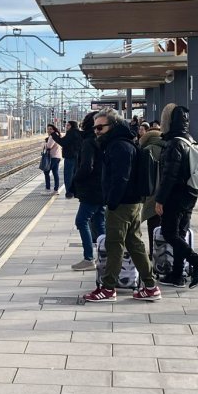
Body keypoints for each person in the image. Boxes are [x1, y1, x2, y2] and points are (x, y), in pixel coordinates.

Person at [84, 109, 159, 302]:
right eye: (95, 128)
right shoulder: (124, 143)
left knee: (114, 244)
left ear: (113, 126)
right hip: (131, 203)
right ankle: (150, 287)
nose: (97, 131)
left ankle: (108, 289)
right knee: (134, 244)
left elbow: (121, 178)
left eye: (100, 127)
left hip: (122, 204)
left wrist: (112, 201)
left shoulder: (118, 147)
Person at [155, 104, 198, 289]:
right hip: (189, 194)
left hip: (175, 195)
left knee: (169, 233)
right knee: (180, 233)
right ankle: (177, 275)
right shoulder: (189, 140)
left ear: (169, 121)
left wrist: (160, 199)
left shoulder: (174, 144)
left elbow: (169, 176)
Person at [68, 112, 106, 271]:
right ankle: (105, 256)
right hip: (101, 189)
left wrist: (75, 179)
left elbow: (86, 167)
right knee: (99, 222)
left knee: (81, 221)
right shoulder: (101, 141)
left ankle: (88, 258)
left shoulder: (89, 142)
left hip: (91, 190)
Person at [137, 120, 165, 254]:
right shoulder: (168, 147)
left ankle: (153, 253)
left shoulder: (147, 150)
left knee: (153, 224)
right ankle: (164, 253)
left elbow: (142, 176)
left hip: (152, 194)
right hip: (167, 194)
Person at [51, 120, 81, 198]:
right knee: (75, 175)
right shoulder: (79, 133)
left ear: (72, 126)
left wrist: (53, 134)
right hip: (78, 157)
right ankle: (76, 192)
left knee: (68, 176)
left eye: (68, 125)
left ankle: (69, 192)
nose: (66, 127)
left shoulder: (71, 133)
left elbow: (62, 142)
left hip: (70, 157)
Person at [42, 124, 63, 194]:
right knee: (55, 172)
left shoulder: (53, 136)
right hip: (57, 156)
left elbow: (48, 146)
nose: (49, 130)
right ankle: (56, 190)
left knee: (46, 171)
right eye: (48, 129)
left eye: (51, 129)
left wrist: (44, 144)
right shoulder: (57, 135)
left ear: (54, 129)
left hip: (53, 157)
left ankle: (48, 189)